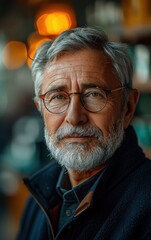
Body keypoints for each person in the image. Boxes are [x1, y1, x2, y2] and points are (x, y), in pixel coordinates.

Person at [17, 27, 151, 240]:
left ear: (127, 108)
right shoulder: (37, 199)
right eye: (58, 97)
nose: (74, 116)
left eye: (94, 94)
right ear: (41, 109)